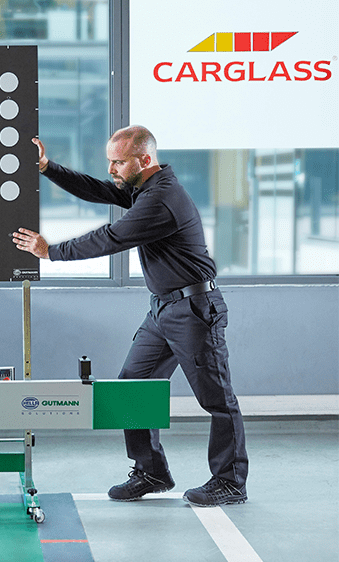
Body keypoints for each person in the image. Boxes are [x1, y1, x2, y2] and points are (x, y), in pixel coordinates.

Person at [13, 126, 248, 507]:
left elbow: (112, 237)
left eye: (118, 162)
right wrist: (47, 167)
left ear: (144, 159)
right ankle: (151, 471)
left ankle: (230, 481)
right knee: (132, 387)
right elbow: (100, 190)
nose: (111, 170)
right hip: (163, 309)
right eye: (110, 161)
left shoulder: (162, 199)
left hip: (193, 310)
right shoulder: (145, 188)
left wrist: (50, 252)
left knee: (217, 399)